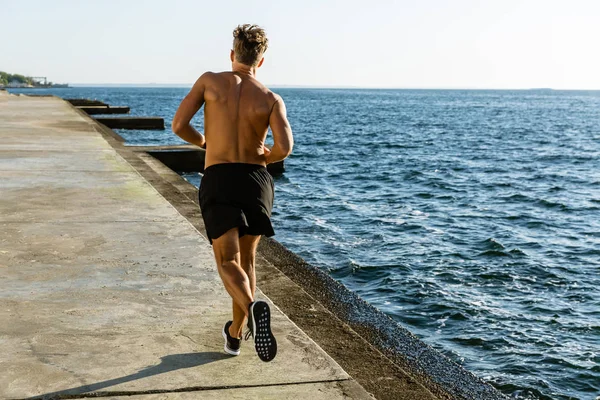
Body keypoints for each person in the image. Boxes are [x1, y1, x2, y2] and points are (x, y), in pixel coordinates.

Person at [172, 24, 293, 362]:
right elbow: (285, 147)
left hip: (219, 176)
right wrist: (267, 156)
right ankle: (235, 335)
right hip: (256, 180)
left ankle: (252, 308)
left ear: (232, 54)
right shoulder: (270, 98)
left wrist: (206, 142)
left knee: (228, 261)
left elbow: (179, 125)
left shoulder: (210, 81)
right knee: (248, 261)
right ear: (261, 61)